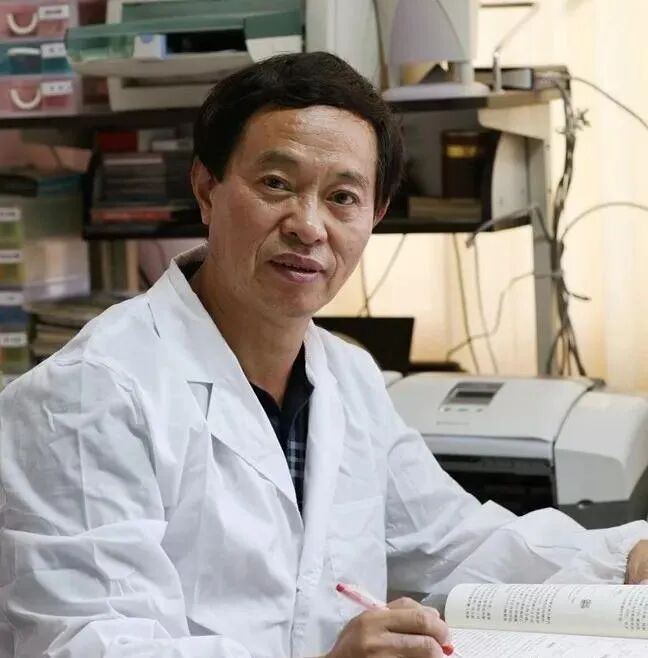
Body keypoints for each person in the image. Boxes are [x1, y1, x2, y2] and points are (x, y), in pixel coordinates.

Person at [0, 52, 647, 658]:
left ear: (375, 214)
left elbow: (455, 545)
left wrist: (626, 559)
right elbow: (89, 641)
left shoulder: (347, 376)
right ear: (206, 188)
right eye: (276, 184)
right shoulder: (86, 394)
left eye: (342, 197)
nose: (309, 226)